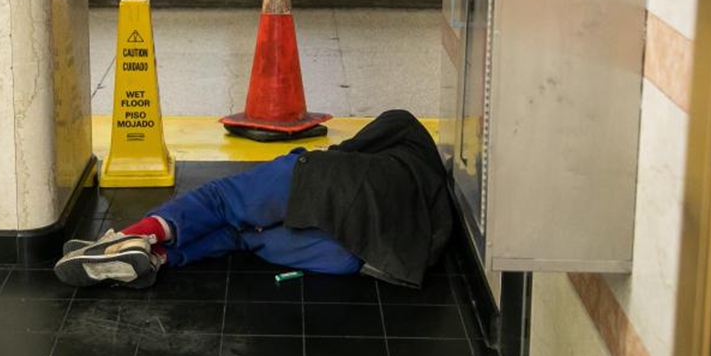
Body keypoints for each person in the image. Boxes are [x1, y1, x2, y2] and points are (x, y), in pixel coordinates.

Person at [54, 109, 452, 289]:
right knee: (242, 236)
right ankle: (157, 259)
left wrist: (313, 160)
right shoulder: (437, 202)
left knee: (222, 201)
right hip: (356, 259)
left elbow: (348, 150)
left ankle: (132, 238)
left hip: (328, 186)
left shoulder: (402, 127)